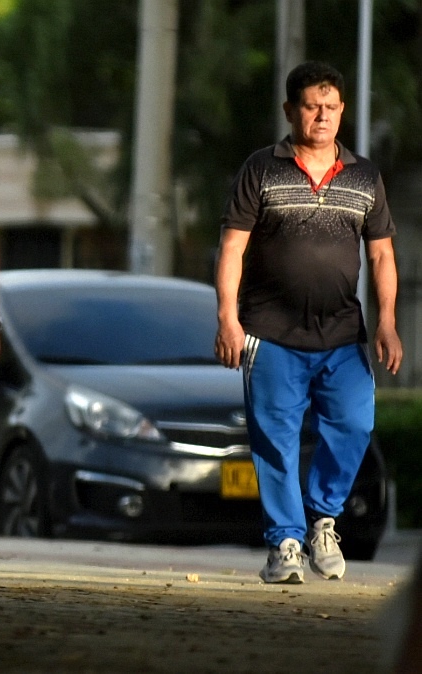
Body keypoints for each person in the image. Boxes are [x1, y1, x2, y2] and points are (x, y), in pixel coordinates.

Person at [215, 61, 403, 584]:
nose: (321, 116)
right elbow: (233, 247)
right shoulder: (261, 169)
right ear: (290, 110)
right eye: (311, 106)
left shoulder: (364, 176)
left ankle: (323, 519)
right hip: (271, 335)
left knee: (354, 424)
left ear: (342, 111)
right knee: (274, 438)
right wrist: (227, 318)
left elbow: (383, 256)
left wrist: (387, 322)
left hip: (343, 334)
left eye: (331, 107)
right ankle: (286, 544)